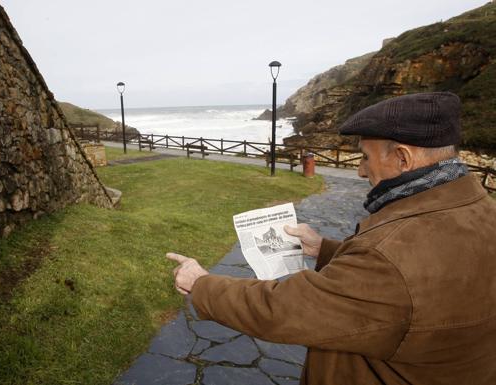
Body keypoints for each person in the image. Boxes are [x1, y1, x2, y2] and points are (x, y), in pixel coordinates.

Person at [167, 92, 496, 385]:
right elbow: (412, 284)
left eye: (366, 157)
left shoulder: (390, 255)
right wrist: (325, 249)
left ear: (403, 158)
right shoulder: (480, 209)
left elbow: (282, 309)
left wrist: (202, 284)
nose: (360, 171)